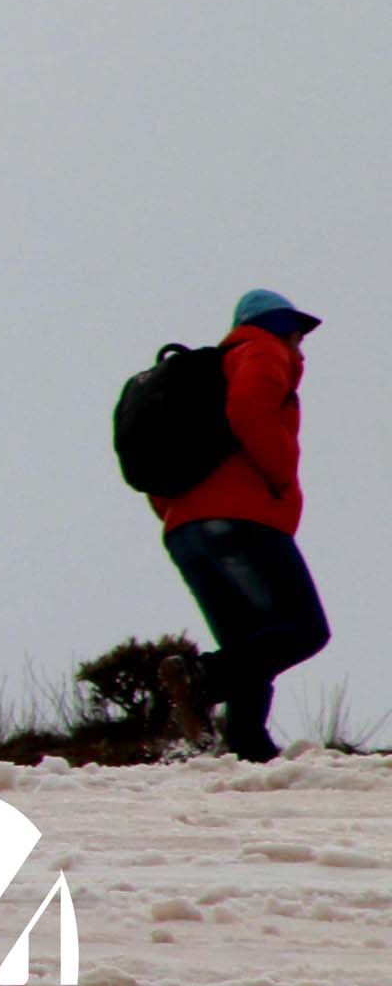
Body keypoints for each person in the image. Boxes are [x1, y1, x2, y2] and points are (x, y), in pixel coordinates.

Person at [156, 290, 328, 761]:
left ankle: (247, 748)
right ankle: (200, 679)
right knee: (303, 628)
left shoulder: (200, 380)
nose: (300, 349)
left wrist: (184, 514)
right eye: (297, 336)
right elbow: (251, 408)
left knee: (249, 646)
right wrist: (277, 477)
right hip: (242, 520)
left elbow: (156, 464)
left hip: (186, 530)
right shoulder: (262, 350)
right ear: (280, 328)